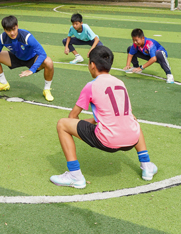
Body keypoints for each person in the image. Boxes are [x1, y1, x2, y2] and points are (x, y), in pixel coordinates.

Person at [50, 46, 157, 188]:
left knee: (63, 124)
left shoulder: (91, 85)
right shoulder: (120, 83)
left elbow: (72, 118)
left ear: (92, 65)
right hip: (132, 139)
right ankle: (146, 165)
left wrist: (91, 123)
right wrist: (97, 120)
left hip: (108, 141)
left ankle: (75, 175)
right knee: (131, 119)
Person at [0, 15, 55, 102]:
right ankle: (3, 83)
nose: (12, 33)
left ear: (17, 26)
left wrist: (32, 69)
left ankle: (47, 89)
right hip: (16, 57)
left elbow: (42, 53)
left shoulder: (27, 37)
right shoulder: (2, 38)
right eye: (8, 30)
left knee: (48, 62)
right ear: (4, 30)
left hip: (32, 58)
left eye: (14, 29)